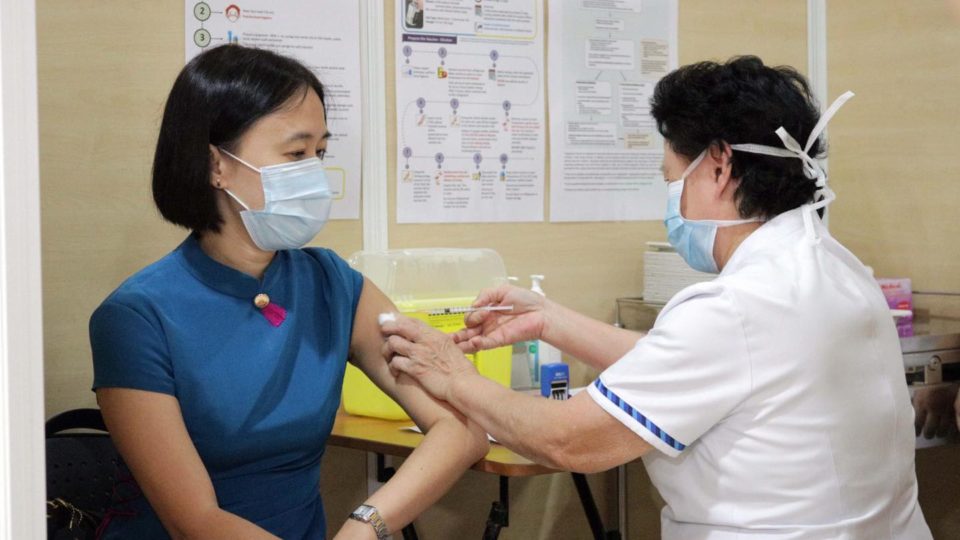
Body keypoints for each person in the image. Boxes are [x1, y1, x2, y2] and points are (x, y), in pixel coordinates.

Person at [381, 56, 933, 539]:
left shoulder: (736, 306)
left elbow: (573, 443)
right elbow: (714, 366)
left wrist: (454, 375)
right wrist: (549, 319)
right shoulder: (835, 265)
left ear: (718, 166)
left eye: (672, 178)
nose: (671, 199)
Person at [89, 44, 488, 540]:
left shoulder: (332, 283)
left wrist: (366, 526)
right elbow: (195, 520)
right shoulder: (136, 317)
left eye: (319, 153)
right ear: (216, 164)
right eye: (295, 154)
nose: (314, 173)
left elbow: (461, 426)